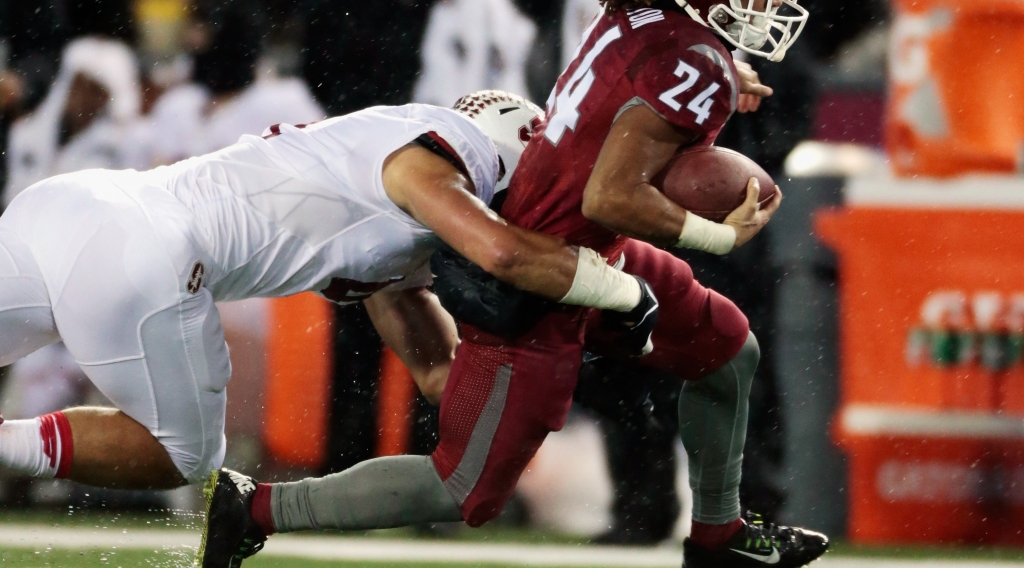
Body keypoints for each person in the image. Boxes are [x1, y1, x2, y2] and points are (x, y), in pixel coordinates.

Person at [201, 2, 828, 568]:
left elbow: (643, 98)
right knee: (465, 488)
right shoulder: (690, 61)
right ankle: (255, 508)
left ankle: (718, 534)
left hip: (593, 245)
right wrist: (718, 234)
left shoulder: (646, 19)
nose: (763, 7)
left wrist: (705, 65)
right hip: (543, 274)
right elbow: (609, 195)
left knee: (726, 349)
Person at [0, 93, 660, 527]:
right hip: (140, 253)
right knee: (185, 456)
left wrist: (534, 381)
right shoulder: (432, 158)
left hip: (69, 207)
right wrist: (620, 292)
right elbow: (505, 254)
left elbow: (437, 374)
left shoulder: (398, 215)